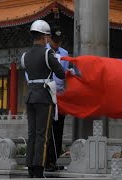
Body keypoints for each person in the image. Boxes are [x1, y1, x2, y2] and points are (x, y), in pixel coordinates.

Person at [21, 20, 65, 178]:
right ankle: (39, 169)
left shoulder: (25, 55)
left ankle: (30, 168)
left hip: (30, 96)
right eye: (47, 36)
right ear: (45, 37)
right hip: (43, 97)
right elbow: (60, 73)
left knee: (31, 134)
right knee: (42, 134)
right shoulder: (48, 53)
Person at [45, 26, 69, 172]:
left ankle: (54, 160)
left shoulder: (64, 53)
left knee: (59, 130)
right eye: (55, 41)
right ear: (48, 38)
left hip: (60, 96)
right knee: (48, 131)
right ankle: (46, 161)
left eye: (59, 41)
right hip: (47, 94)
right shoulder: (44, 52)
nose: (57, 44)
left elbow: (64, 74)